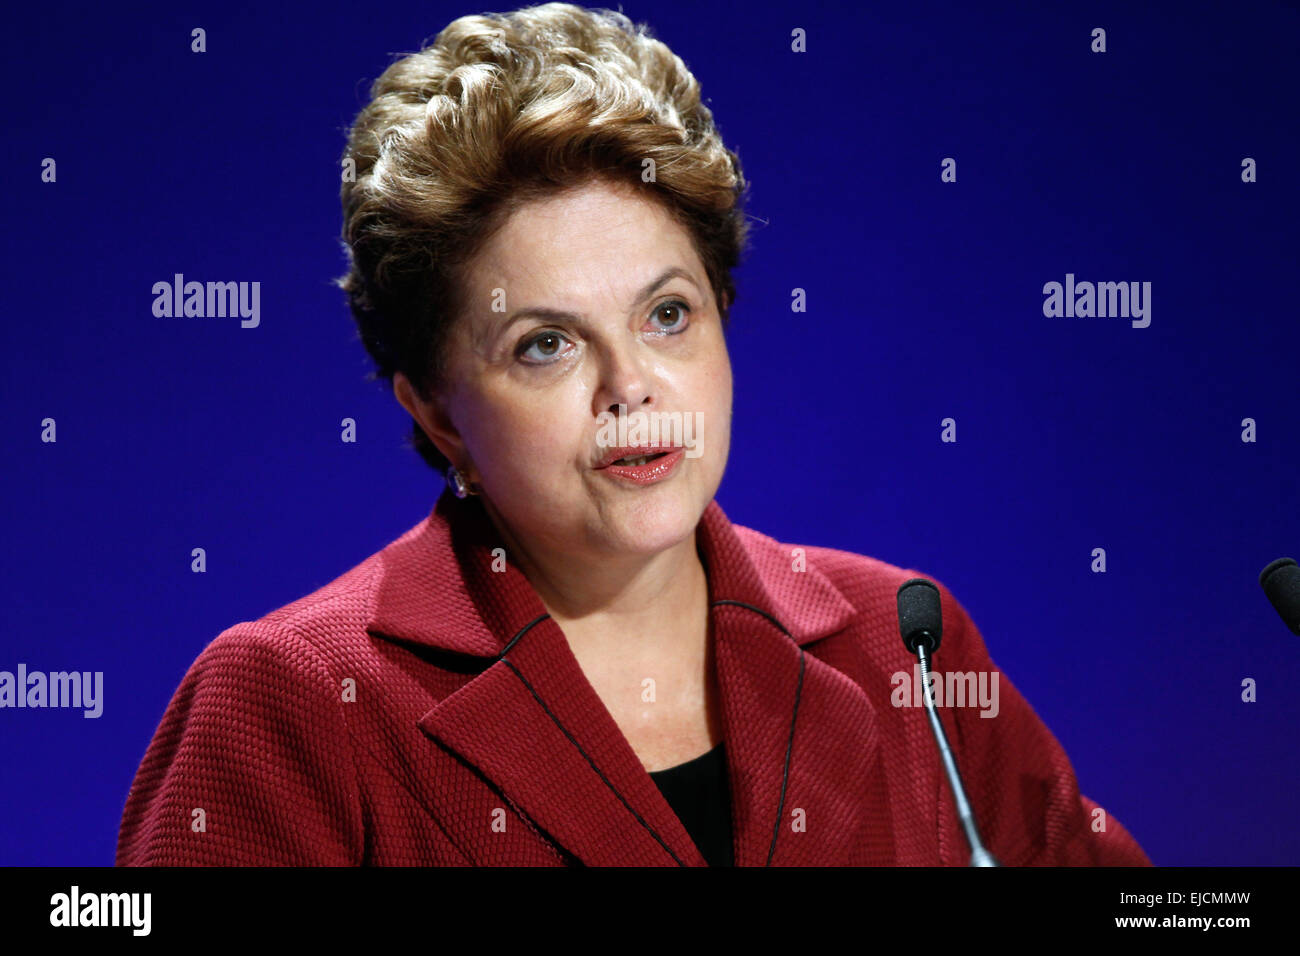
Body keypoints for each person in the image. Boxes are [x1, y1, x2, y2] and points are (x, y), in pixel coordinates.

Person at [116, 2, 1150, 866]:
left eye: (666, 314)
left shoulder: (903, 644)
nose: (631, 386)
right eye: (545, 344)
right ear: (434, 411)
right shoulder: (290, 701)